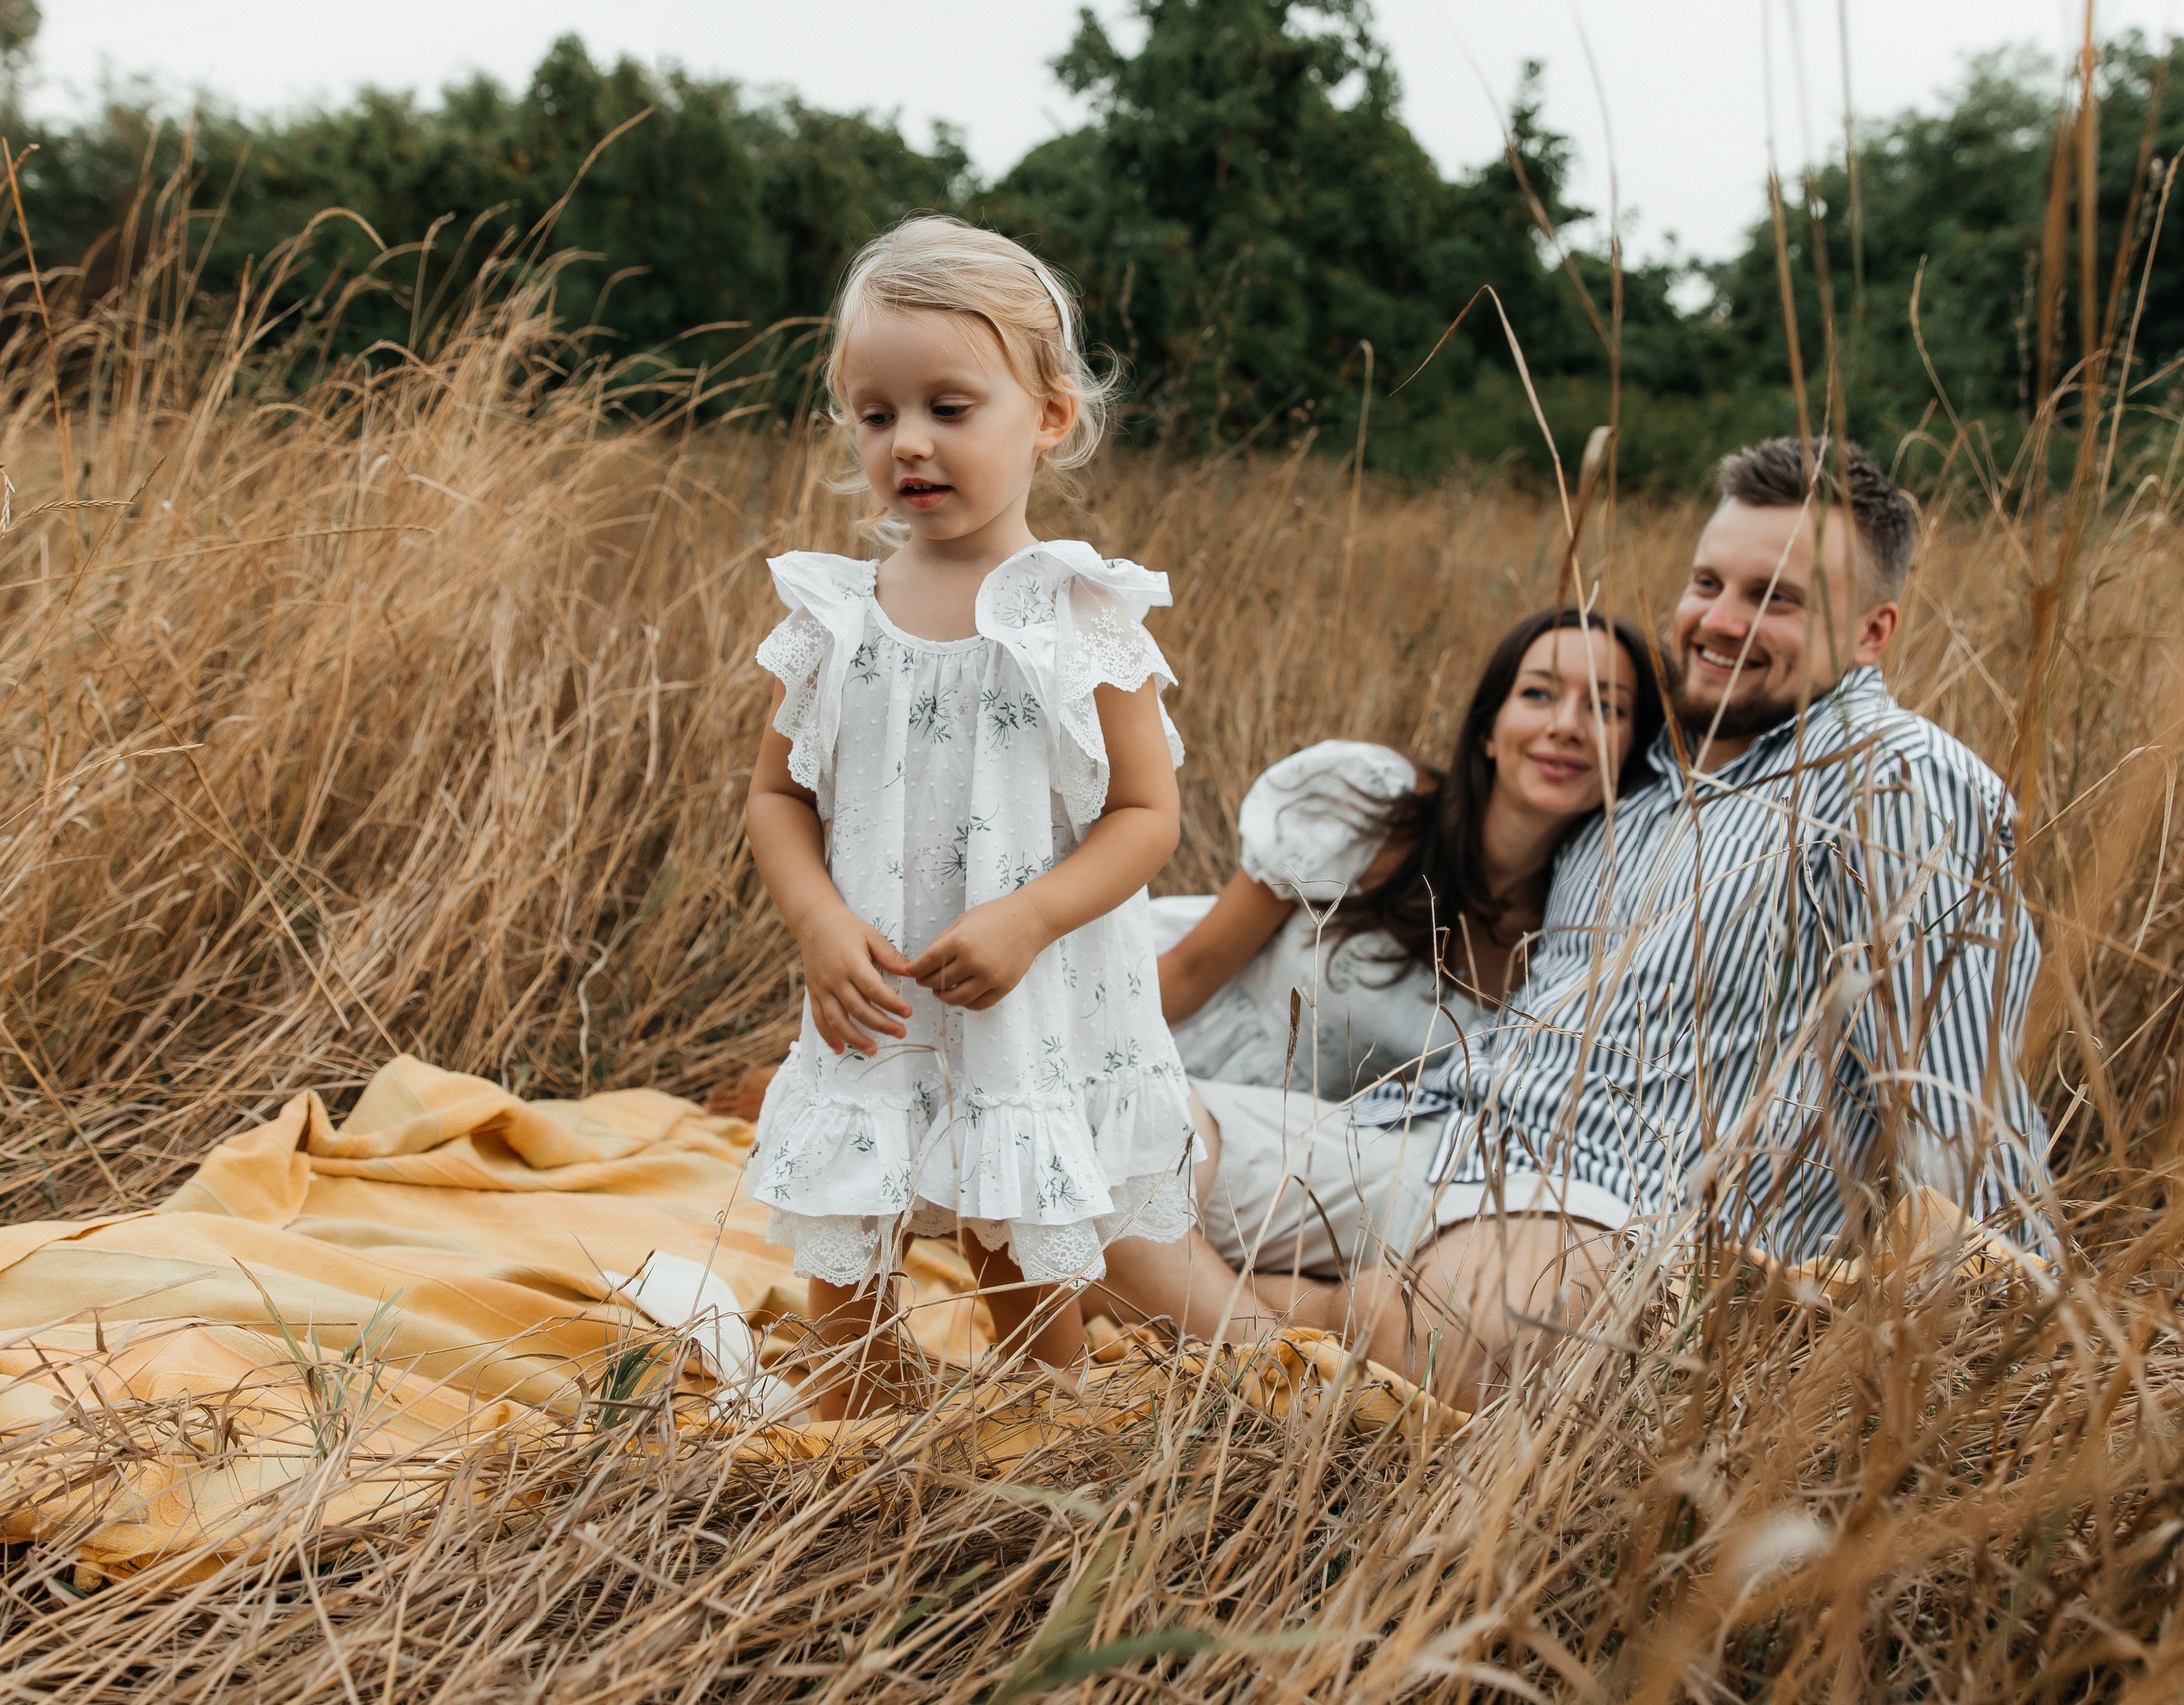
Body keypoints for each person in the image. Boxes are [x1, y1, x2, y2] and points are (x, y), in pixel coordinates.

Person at [1172, 436, 2057, 1409]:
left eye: (1775, 598)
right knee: (1104, 1126)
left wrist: (2017, 1328)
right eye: (1706, 583)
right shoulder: (1631, 792)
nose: (1719, 622)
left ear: (1871, 634)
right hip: (1429, 1142)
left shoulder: (1893, 781)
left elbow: (1954, 1086)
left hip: (1600, 1207)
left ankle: (1218, 1317)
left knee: (1485, 1344)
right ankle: (1283, 1328)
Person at [739, 214, 1195, 1416]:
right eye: (875, 413)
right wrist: (818, 923)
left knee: (1017, 1254)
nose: (909, 444)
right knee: (847, 1265)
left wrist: (1031, 918)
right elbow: (777, 795)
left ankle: (1043, 1427)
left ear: (1046, 416)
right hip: (872, 991)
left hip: (1018, 998)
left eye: (950, 406)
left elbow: (1148, 815)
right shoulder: (839, 614)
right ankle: (860, 1422)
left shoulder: (1077, 616)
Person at [1121, 609, 1663, 1295]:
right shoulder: (1379, 814)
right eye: (1538, 694)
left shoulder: (1578, 939)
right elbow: (1192, 970)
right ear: (1490, 729)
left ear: (1631, 752)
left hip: (1304, 1171)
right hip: (1174, 1059)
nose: (1567, 723)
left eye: (1606, 708)